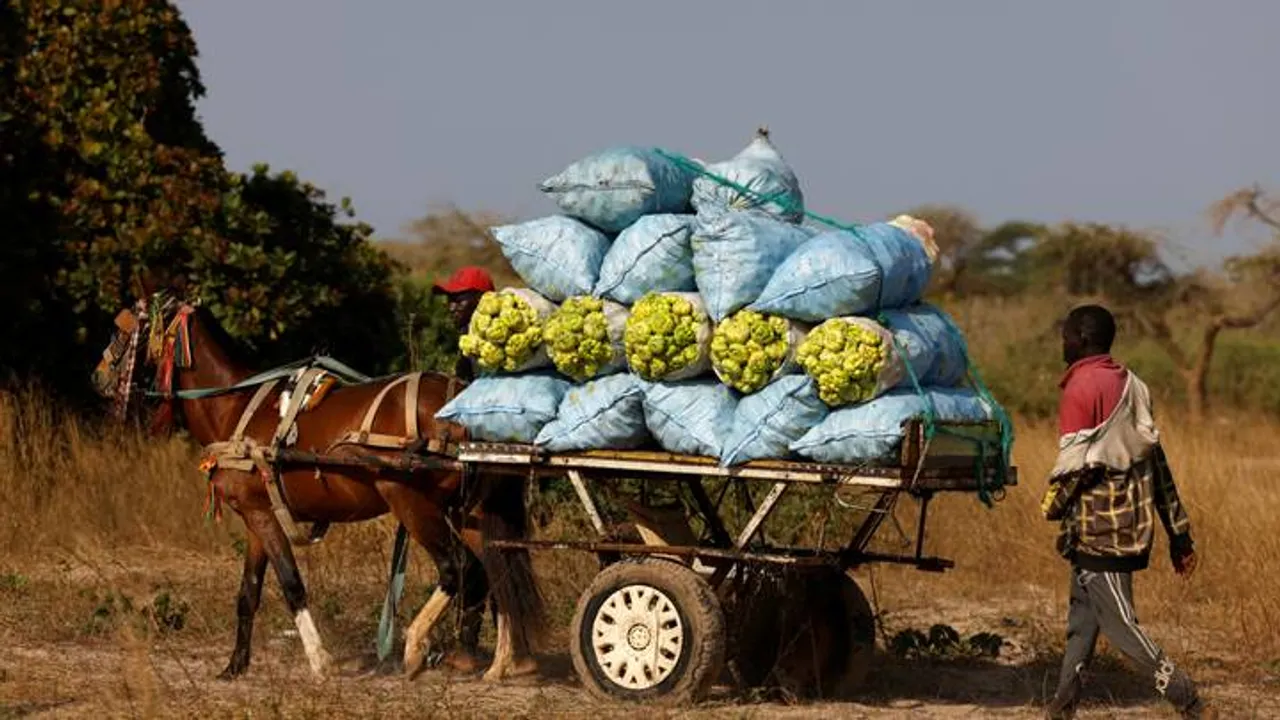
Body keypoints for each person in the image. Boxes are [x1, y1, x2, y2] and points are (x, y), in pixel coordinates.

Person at [1042, 305, 1211, 720]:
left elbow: (1073, 470)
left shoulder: (1081, 388)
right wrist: (1179, 535)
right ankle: (1061, 710)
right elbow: (1159, 465)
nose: (1062, 343)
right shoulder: (1135, 385)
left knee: (1122, 629)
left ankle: (1187, 698)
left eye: (1066, 335)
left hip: (1104, 533)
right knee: (1081, 627)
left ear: (1082, 339)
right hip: (1113, 531)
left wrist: (1051, 506)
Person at [431, 266, 494, 381]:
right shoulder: (466, 336)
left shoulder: (495, 341)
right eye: (450, 300)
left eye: (459, 300)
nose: (451, 308)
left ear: (482, 299)